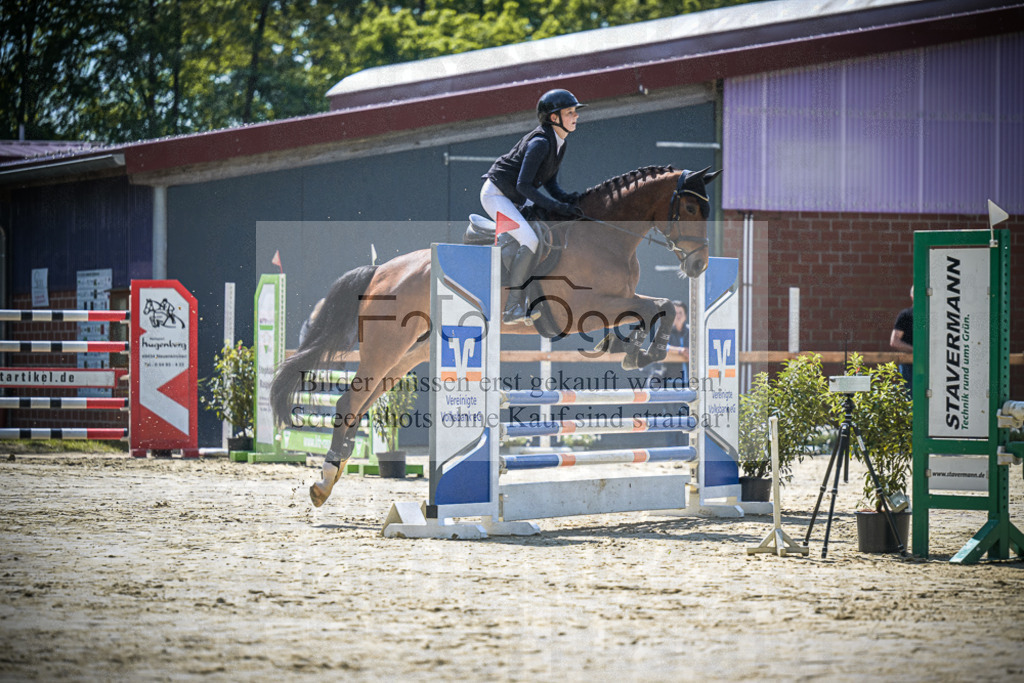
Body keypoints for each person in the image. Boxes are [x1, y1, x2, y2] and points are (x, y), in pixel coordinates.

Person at [481, 88, 586, 324]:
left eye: (575, 112)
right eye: (570, 112)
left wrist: (570, 200)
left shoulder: (559, 142)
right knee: (530, 239)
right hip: (497, 195)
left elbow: (549, 183)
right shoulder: (540, 142)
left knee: (548, 228)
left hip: (515, 194)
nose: (575, 116)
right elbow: (524, 186)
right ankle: (512, 306)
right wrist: (557, 206)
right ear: (554, 118)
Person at [646, 301, 689, 389]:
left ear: (686, 316)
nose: (678, 316)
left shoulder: (691, 331)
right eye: (675, 313)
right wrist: (680, 351)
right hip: (669, 382)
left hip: (690, 382)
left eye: (680, 313)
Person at [890, 287, 913, 391]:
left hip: (929, 363)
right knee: (911, 396)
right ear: (912, 296)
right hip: (909, 364)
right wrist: (915, 351)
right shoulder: (906, 315)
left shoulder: (930, 315)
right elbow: (895, 341)